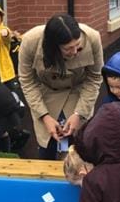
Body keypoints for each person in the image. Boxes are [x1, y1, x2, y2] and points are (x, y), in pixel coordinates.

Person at [18, 14, 103, 160]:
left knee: (79, 145)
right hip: (46, 94)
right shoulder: (30, 41)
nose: (75, 52)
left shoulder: (93, 38)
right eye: (68, 48)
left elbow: (94, 78)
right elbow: (27, 81)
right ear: (54, 46)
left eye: (78, 46)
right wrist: (44, 116)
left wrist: (79, 114)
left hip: (78, 91)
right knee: (47, 145)